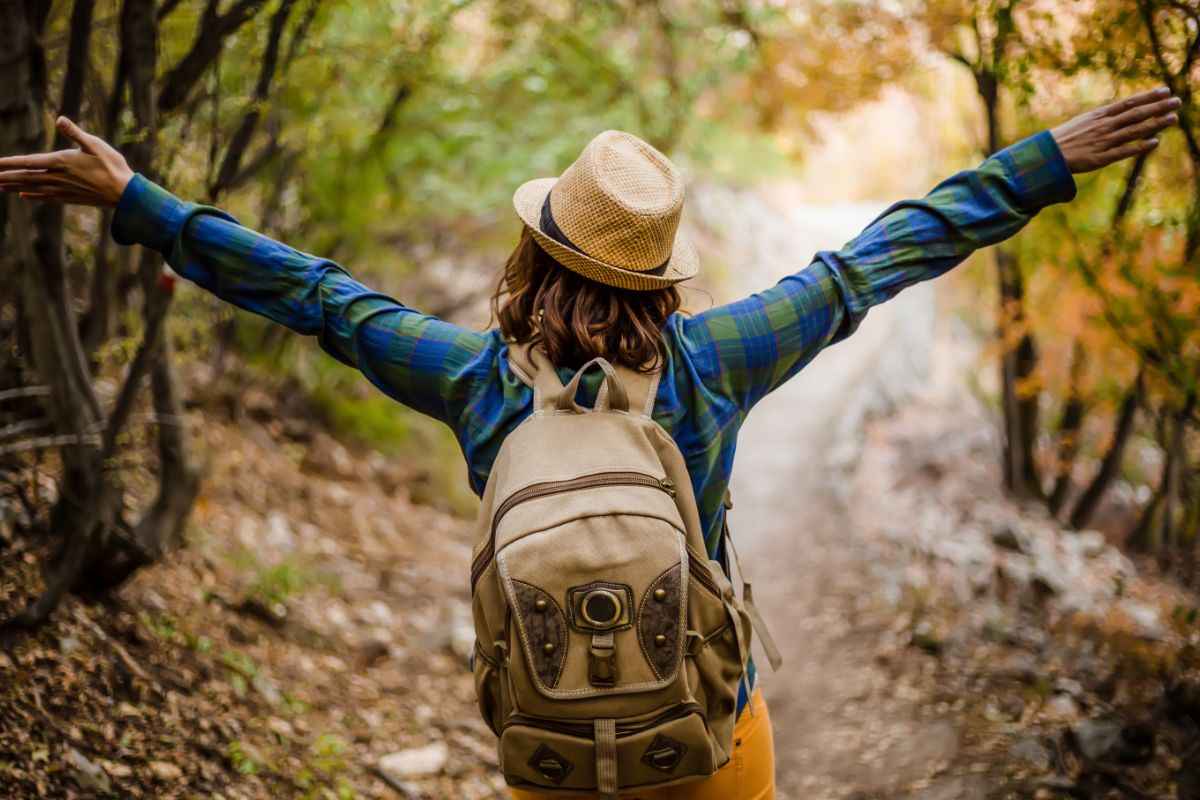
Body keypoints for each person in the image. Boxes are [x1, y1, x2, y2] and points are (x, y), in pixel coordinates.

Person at [0, 88, 1180, 799]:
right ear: (661, 273)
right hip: (712, 727)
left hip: (552, 737)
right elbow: (877, 257)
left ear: (534, 250)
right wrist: (1041, 162)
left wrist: (141, 202)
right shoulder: (715, 357)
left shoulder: (475, 380)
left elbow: (319, 295)